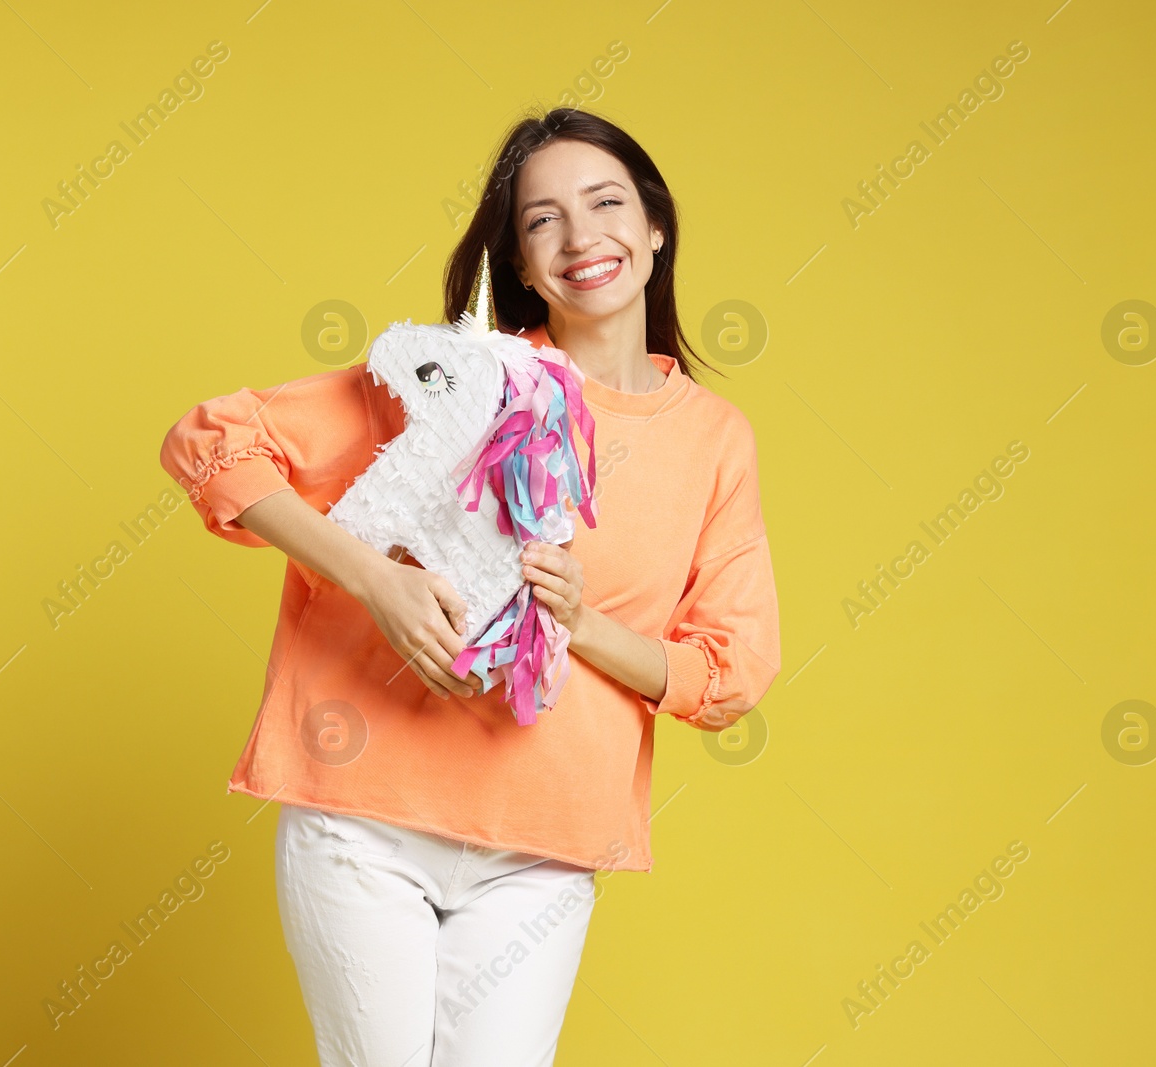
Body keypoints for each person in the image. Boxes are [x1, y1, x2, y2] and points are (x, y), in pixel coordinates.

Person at [158, 107, 781, 1066]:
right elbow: (212, 444)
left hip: (542, 851)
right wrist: (377, 584)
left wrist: (574, 624)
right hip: (364, 820)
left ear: (655, 228)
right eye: (543, 221)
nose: (581, 238)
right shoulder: (462, 375)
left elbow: (726, 671)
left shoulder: (714, 439)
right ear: (521, 264)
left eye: (606, 203)